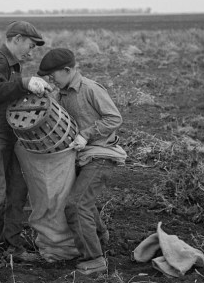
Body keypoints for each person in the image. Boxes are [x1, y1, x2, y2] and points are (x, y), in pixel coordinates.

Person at [0, 21, 52, 282]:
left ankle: (10, 245)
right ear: (15, 39)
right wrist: (24, 83)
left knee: (17, 189)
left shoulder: (13, 65)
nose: (31, 50)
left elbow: (10, 97)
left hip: (7, 135)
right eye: (30, 44)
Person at [37, 48, 127, 275]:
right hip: (83, 157)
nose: (51, 80)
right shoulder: (60, 94)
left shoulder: (90, 89)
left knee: (76, 205)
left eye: (53, 76)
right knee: (82, 199)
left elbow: (114, 118)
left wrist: (86, 133)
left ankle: (95, 260)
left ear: (67, 70)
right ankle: (100, 237)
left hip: (101, 155)